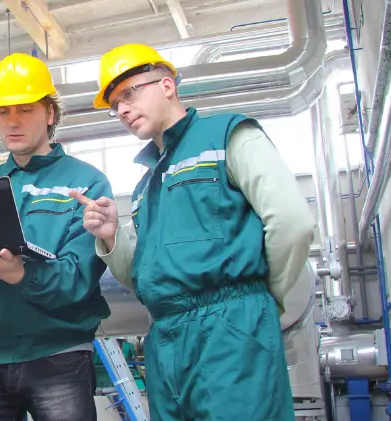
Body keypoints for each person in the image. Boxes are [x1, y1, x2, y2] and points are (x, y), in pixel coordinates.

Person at [69, 43, 316, 420]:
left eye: (129, 93)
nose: (121, 109)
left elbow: (292, 223)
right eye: (114, 103)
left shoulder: (229, 137)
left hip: (232, 329)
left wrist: (266, 303)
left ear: (167, 85)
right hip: (167, 340)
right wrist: (110, 236)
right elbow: (144, 278)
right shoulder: (146, 187)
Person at [0, 52, 113, 421]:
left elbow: (78, 279)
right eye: (2, 111)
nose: (12, 121)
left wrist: (17, 273)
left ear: (49, 113)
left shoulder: (87, 183)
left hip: (58, 355)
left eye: (25, 109)